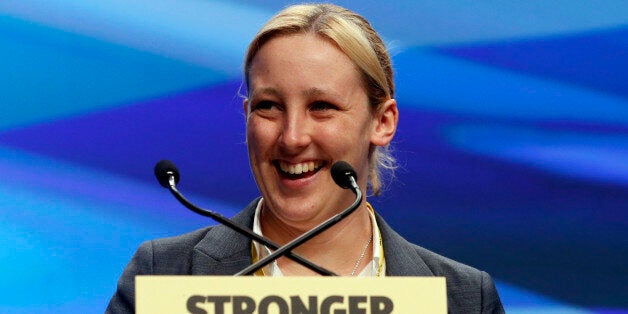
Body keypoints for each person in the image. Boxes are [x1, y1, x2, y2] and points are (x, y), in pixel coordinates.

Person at [107, 3, 504, 313]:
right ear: (247, 117)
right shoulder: (162, 275)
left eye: (322, 106)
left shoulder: (462, 298)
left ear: (382, 122)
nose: (292, 137)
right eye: (269, 106)